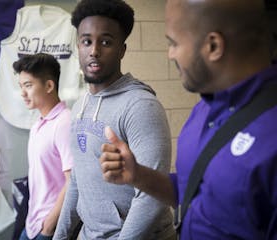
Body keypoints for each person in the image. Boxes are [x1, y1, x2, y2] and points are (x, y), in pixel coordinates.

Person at [99, 0, 277, 239]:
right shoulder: (203, 109)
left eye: (174, 43)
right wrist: (138, 175)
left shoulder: (271, 134)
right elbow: (191, 191)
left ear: (213, 46)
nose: (170, 53)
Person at [53, 0, 176, 239]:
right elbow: (78, 179)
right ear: (78, 46)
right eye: (86, 41)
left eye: (106, 42)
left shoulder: (140, 106)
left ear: (122, 50)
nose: (94, 50)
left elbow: (151, 198)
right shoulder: (80, 106)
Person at [13, 53, 73, 240]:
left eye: (28, 86)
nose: (23, 93)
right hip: (32, 223)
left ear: (49, 86)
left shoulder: (64, 122)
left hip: (48, 228)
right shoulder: (39, 124)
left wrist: (49, 225)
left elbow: (74, 181)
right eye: (21, 86)